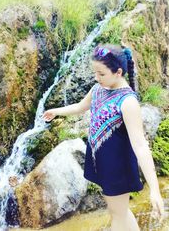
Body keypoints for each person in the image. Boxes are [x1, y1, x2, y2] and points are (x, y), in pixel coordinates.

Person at [42, 44, 165, 231]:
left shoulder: (128, 102)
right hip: (103, 162)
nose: (96, 77)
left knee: (117, 214)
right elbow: (79, 107)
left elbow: (140, 145)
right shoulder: (98, 89)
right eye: (95, 73)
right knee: (120, 211)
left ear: (118, 72)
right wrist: (55, 111)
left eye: (101, 74)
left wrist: (155, 190)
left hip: (118, 167)